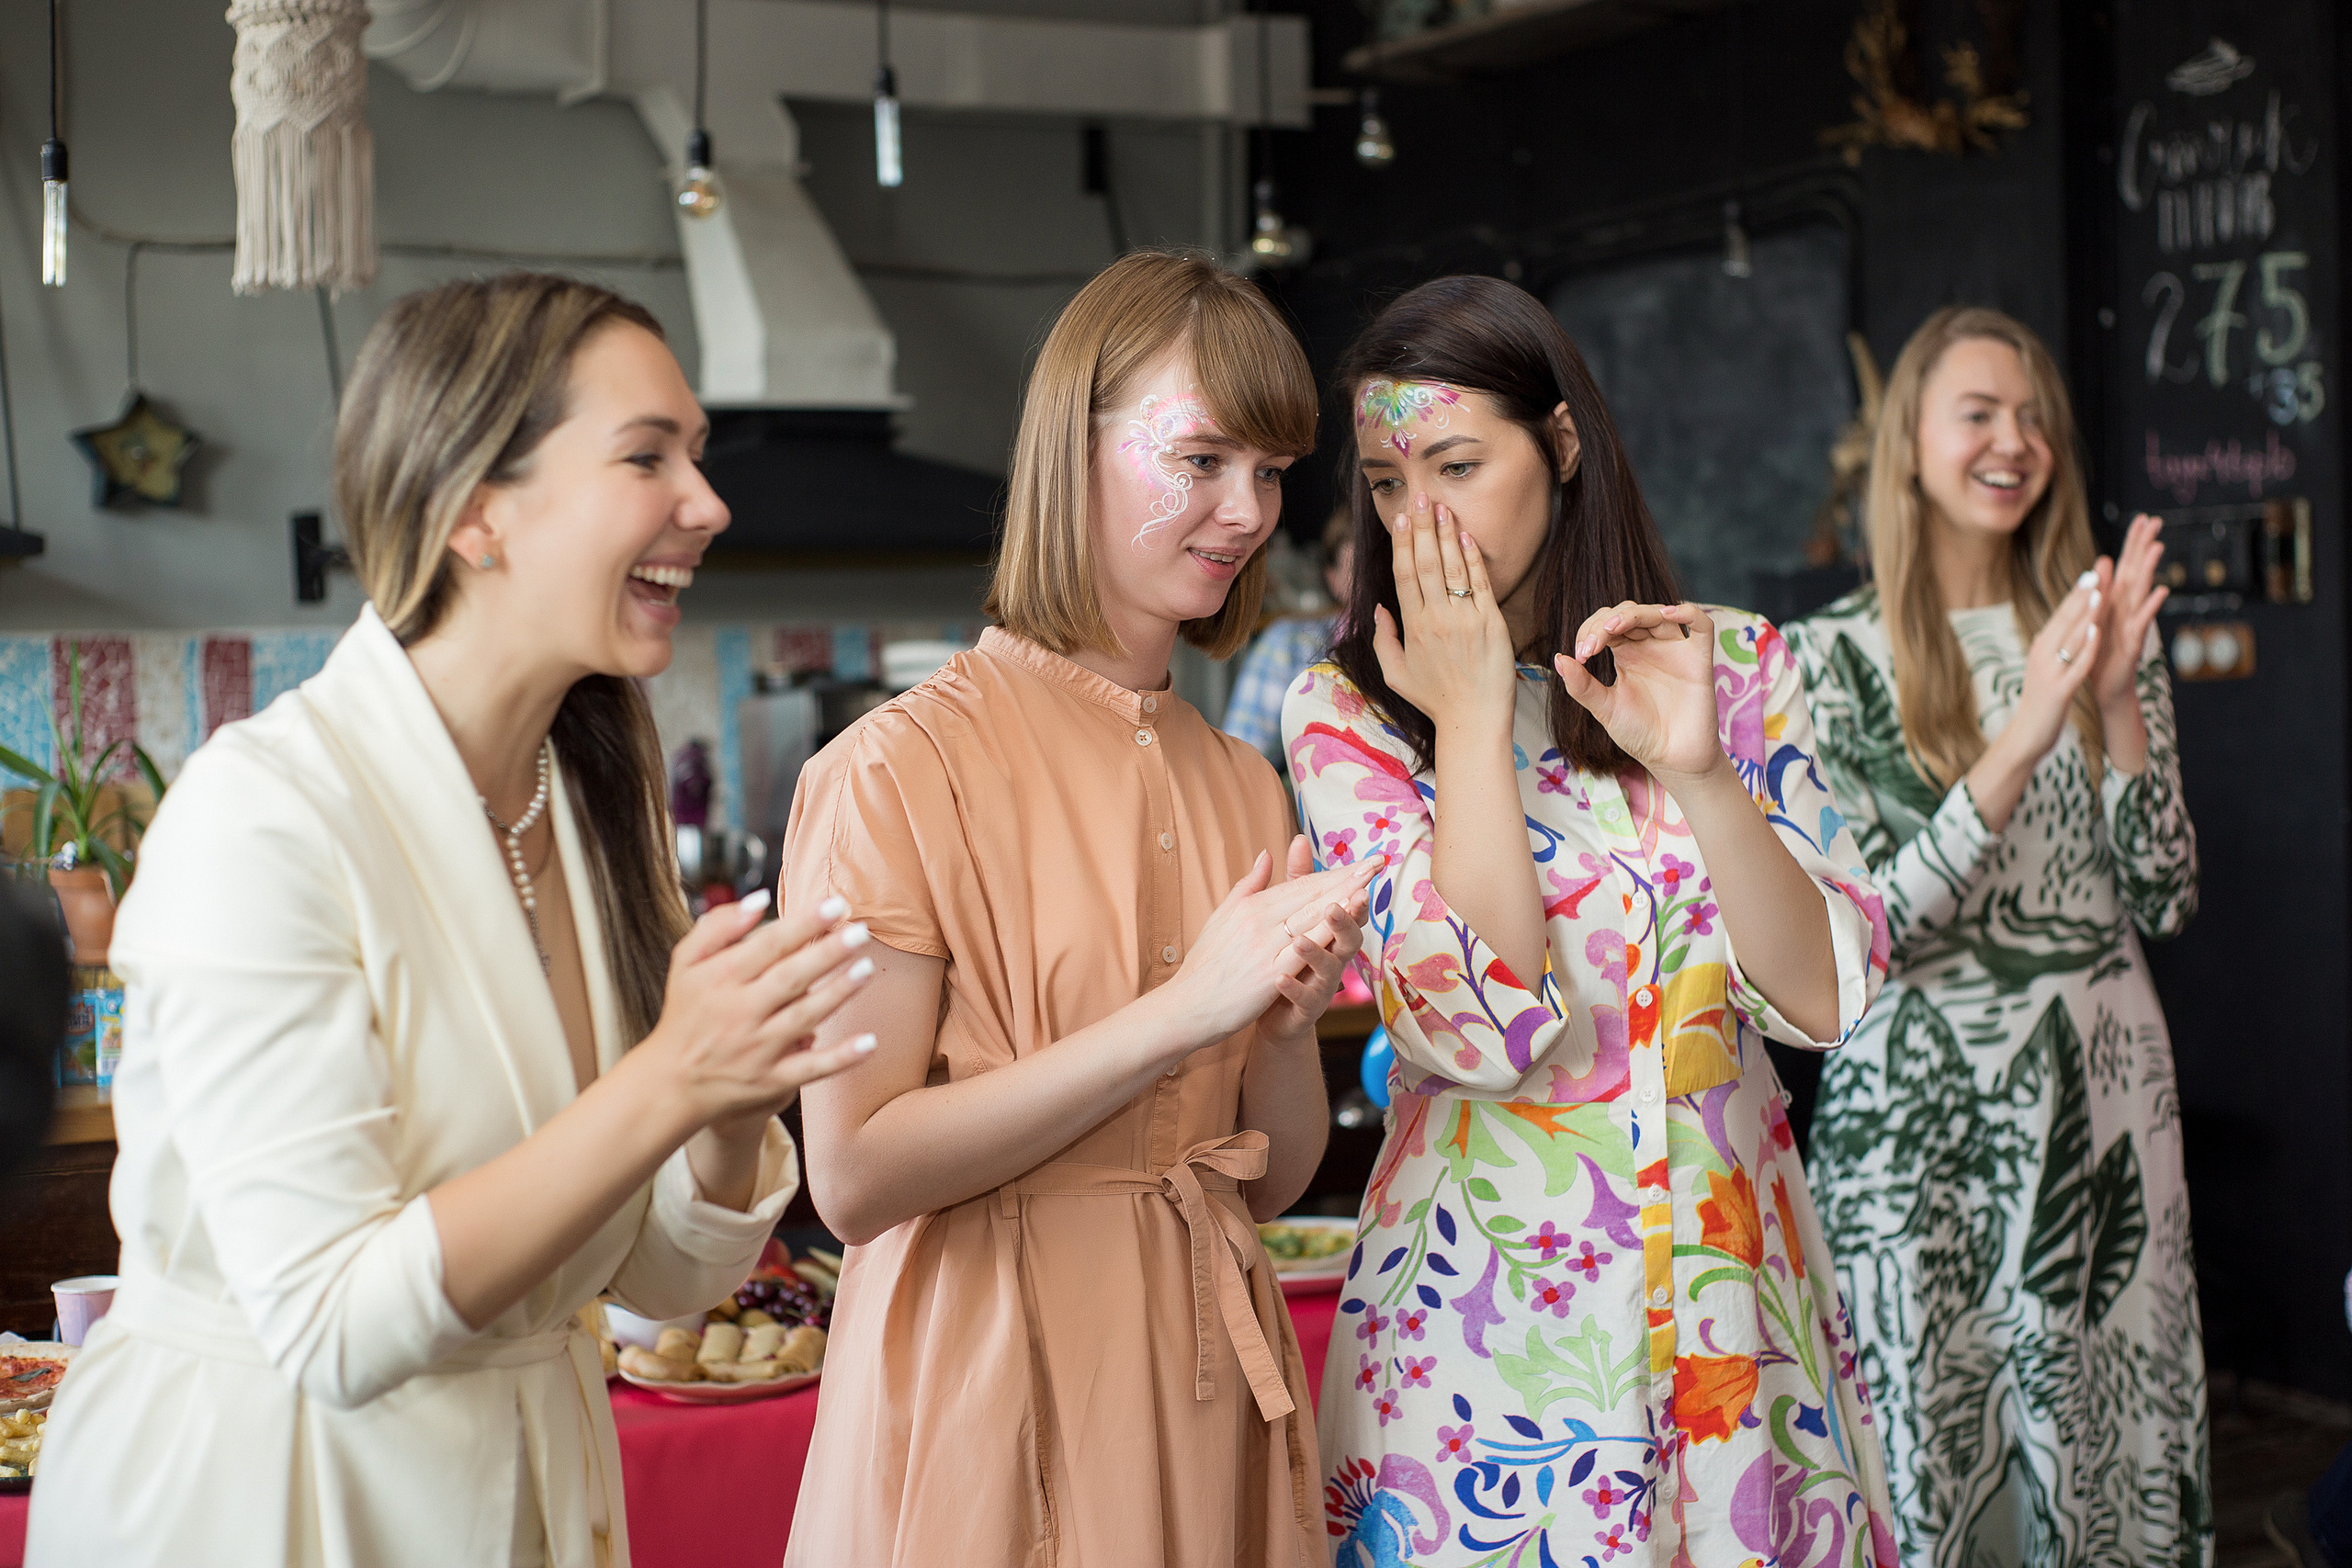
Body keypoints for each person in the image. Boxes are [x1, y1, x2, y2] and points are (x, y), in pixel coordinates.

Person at [28, 274, 876, 1568]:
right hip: (272, 1501)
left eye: (696, 456)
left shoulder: (591, 795)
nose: (708, 504)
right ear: (476, 511)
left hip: (531, 1491)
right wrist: (672, 1073)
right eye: (648, 455)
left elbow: (660, 1280)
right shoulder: (265, 816)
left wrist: (734, 1093)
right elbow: (332, 1321)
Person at [1286, 275, 1899, 1567]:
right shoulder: (1349, 714)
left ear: (1560, 445)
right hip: (1482, 1327)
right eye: (1389, 485)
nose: (1421, 518)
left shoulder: (1725, 663)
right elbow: (1478, 1018)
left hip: (1732, 1306)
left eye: (1456, 463)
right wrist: (1464, 717)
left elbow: (1826, 998)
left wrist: (1697, 769)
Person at [782, 250, 1377, 1568]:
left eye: (1272, 470)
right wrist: (1182, 1012)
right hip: (990, 1383)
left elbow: (1266, 1173)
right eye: (1204, 457)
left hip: (1208, 1371)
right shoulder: (893, 769)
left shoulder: (1244, 782)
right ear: (1073, 447)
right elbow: (856, 1171)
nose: (1247, 510)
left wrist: (1275, 1028)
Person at [1784, 306, 2203, 1565]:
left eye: (2033, 417)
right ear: (1906, 446)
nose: (2014, 440)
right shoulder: (1826, 660)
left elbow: (2168, 892)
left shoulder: (2097, 631)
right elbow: (1865, 936)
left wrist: (2117, 695)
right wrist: (2023, 735)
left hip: (2104, 1096)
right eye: (1979, 413)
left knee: (2109, 1446)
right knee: (1938, 1455)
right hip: (1921, 1126)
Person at [1222, 502, 1357, 764]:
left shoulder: (1432, 644)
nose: (1379, 578)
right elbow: (1241, 762)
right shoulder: (1290, 644)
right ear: (1332, 577)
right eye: (1360, 568)